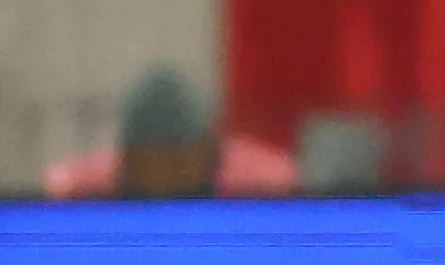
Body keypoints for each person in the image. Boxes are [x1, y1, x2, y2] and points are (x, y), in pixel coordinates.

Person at [45, 68, 299, 200]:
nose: (164, 178)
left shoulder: (263, 185)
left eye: (177, 162)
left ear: (207, 151)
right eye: (151, 163)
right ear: (128, 161)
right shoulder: (85, 188)